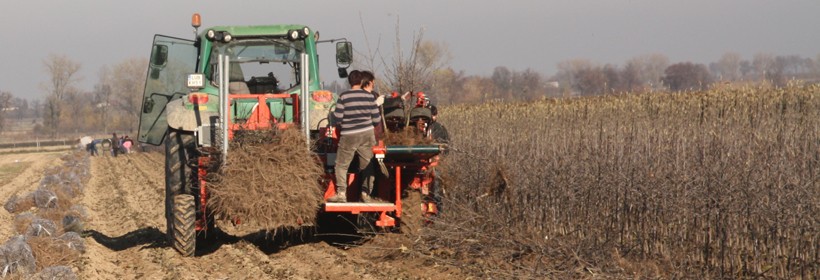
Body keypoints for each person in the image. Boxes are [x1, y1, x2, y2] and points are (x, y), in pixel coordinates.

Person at [327, 70, 382, 203]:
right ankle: (365, 194)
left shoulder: (344, 96)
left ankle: (341, 194)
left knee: (341, 165)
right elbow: (376, 119)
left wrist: (340, 122)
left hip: (349, 135)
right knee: (367, 164)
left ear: (350, 82)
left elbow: (338, 118)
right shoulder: (369, 97)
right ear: (361, 81)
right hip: (367, 134)